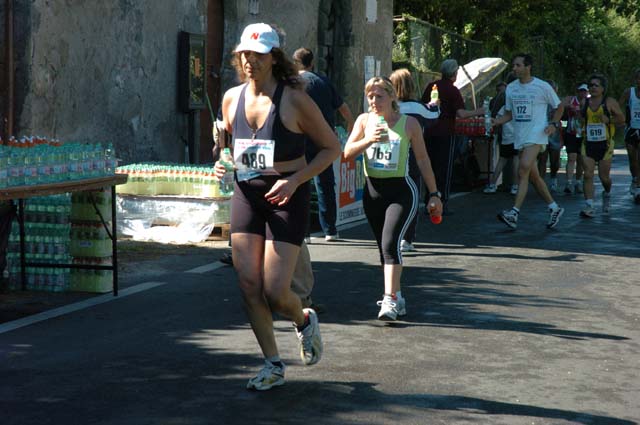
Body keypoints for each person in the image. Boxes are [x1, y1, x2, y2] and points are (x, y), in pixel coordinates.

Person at [214, 23, 340, 391]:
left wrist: (296, 180)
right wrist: (221, 161)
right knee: (248, 284)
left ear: (274, 58)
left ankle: (302, 319)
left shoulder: (295, 98)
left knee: (274, 290)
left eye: (259, 54)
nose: (250, 60)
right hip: (245, 191)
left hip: (287, 193)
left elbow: (332, 148)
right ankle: (272, 364)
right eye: (245, 54)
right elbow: (226, 148)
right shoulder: (231, 97)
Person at [344, 76, 442, 321]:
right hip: (373, 192)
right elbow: (346, 153)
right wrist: (369, 139)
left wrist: (434, 194)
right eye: (370, 96)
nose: (374, 101)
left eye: (380, 96)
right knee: (383, 248)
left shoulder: (409, 124)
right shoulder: (364, 121)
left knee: (391, 244)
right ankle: (398, 295)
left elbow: (422, 160)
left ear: (392, 97)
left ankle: (389, 300)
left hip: (401, 191)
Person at [492, 53, 565, 230]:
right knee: (533, 177)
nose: (514, 68)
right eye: (514, 65)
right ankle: (554, 208)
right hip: (520, 137)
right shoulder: (511, 88)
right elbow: (510, 114)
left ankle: (514, 213)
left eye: (518, 65)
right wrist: (497, 121)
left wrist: (553, 124)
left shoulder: (542, 86)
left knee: (522, 168)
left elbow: (559, 106)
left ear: (528, 67)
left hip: (537, 134)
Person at [292, 47, 354, 241]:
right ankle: (330, 230)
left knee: (301, 182)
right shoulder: (323, 82)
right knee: (325, 184)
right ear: (312, 63)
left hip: (299, 138)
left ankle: (304, 233)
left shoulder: (291, 84)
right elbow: (343, 108)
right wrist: (351, 126)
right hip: (323, 140)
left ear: (295, 63)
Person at [420, 59, 485, 214]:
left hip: (429, 132)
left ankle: (429, 200)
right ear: (454, 73)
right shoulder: (452, 90)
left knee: (430, 167)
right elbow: (461, 113)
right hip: (446, 133)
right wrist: (480, 111)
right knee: (444, 168)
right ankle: (442, 202)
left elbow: (423, 106)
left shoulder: (431, 86)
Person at [389, 68, 439, 252]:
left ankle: (392, 235)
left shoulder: (389, 108)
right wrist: (434, 102)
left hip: (391, 157)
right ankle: (407, 239)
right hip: (413, 158)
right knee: (411, 198)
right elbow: (434, 115)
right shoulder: (419, 108)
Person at [578, 74, 625, 217]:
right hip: (588, 143)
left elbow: (622, 120)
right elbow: (581, 120)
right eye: (590, 85)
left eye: (595, 85)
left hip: (605, 144)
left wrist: (609, 119)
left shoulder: (609, 102)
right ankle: (589, 206)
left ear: (603, 88)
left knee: (604, 177)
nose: (592, 87)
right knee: (588, 174)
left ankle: (607, 193)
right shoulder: (584, 103)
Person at [483, 74, 519, 195]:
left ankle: (493, 184)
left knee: (503, 159)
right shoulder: (518, 96)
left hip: (507, 133)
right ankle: (515, 186)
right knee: (515, 159)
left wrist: (496, 123)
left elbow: (498, 115)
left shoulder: (504, 96)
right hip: (517, 133)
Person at [561, 83, 589, 194]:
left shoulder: (589, 102)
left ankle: (578, 182)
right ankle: (569, 183)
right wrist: (569, 106)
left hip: (583, 134)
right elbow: (561, 104)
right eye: (581, 91)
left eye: (585, 91)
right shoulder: (571, 99)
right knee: (571, 157)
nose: (582, 93)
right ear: (577, 91)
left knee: (581, 160)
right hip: (571, 132)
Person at [619, 68, 640, 202]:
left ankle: (638, 187)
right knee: (632, 160)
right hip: (631, 129)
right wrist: (619, 119)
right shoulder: (629, 92)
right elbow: (617, 106)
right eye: (638, 78)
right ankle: (634, 179)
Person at [537, 80, 562, 191]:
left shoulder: (558, 102)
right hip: (542, 131)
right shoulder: (540, 100)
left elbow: (563, 113)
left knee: (554, 159)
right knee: (542, 158)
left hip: (554, 133)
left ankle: (553, 179)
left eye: (552, 88)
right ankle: (540, 182)